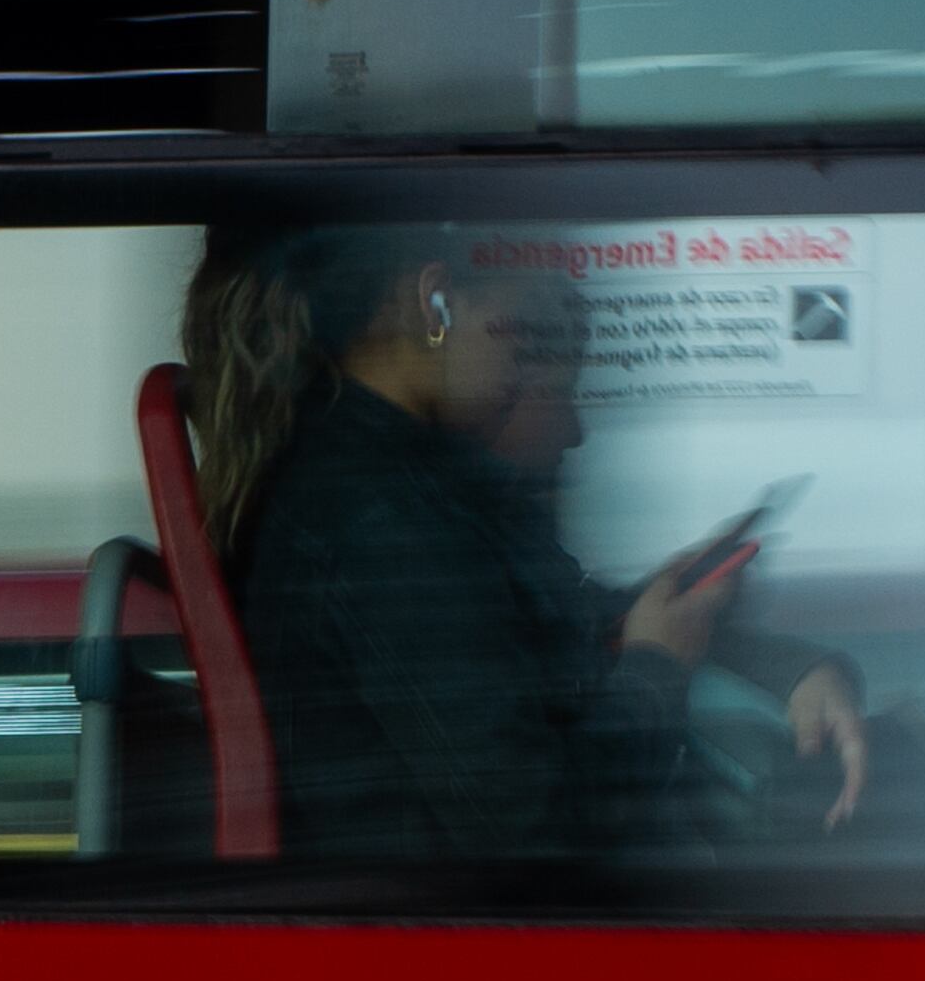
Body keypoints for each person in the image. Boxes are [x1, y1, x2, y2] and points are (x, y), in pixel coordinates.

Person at [181, 226, 867, 863]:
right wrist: (657, 668)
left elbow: (549, 626)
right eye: (520, 341)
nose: (527, 382)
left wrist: (769, 658)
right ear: (437, 304)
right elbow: (538, 822)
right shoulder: (380, 520)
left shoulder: (405, 483)